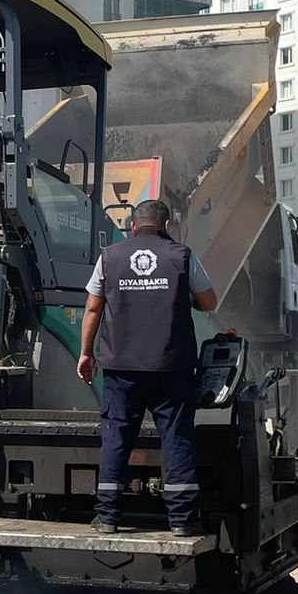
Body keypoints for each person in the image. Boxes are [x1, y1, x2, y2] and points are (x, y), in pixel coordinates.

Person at [75, 199, 218, 534]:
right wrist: (183, 295)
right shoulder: (182, 255)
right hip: (172, 367)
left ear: (133, 226)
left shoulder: (109, 257)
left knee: (116, 438)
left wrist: (86, 353)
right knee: (176, 438)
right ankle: (182, 521)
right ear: (166, 226)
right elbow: (210, 301)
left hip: (121, 368)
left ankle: (108, 517)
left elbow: (93, 309)